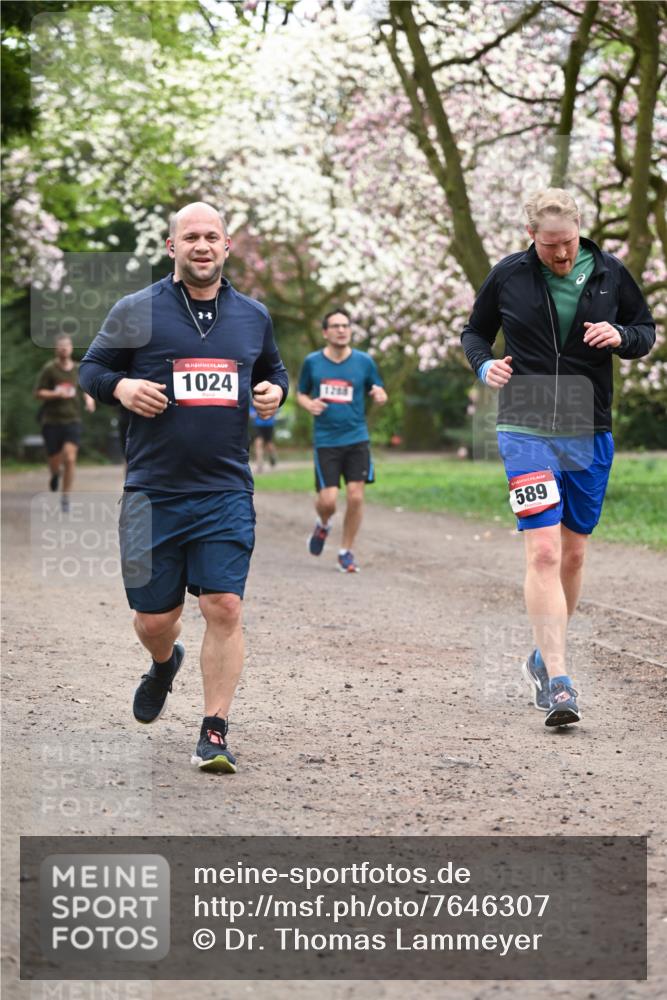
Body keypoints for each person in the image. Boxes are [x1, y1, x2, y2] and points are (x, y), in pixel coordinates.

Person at [79, 202, 288, 773]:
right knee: (154, 620)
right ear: (172, 247)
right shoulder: (135, 309)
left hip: (224, 490)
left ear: (226, 247)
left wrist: (274, 393)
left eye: (211, 237)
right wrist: (121, 386)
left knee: (224, 605)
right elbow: (90, 369)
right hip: (153, 491)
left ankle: (214, 729)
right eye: (190, 236)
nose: (201, 245)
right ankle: (164, 662)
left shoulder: (253, 315)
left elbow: (273, 371)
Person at [461, 188, 655, 728]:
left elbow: (645, 332)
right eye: (550, 248)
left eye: (568, 243)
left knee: (572, 555)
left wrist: (620, 334)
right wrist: (485, 365)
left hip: (586, 423)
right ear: (532, 238)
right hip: (523, 421)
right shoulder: (508, 276)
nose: (562, 255)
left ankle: (542, 654)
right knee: (543, 550)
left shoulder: (610, 273)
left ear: (579, 232)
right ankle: (560, 677)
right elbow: (474, 331)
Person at [297, 308, 387, 573]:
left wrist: (380, 394)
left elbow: (377, 387)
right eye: (335, 326)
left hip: (357, 437)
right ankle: (323, 524)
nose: (341, 329)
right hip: (326, 440)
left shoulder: (364, 361)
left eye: (345, 325)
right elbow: (301, 392)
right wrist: (308, 404)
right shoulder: (313, 362)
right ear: (325, 332)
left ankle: (345, 551)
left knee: (356, 497)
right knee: (328, 501)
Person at [33, 333, 96, 511]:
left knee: (69, 457)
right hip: (51, 420)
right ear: (56, 349)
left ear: (70, 348)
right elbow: (38, 392)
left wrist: (89, 400)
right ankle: (54, 474)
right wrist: (55, 394)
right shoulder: (49, 369)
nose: (64, 349)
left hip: (72, 419)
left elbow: (85, 388)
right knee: (54, 460)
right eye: (60, 346)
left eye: (66, 345)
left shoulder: (78, 369)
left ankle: (66, 497)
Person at [249, 403, 278, 473]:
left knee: (269, 444)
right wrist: (252, 413)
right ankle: (259, 464)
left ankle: (272, 456)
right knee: (258, 443)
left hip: (269, 424)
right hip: (258, 424)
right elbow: (251, 408)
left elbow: (277, 407)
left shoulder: (271, 393)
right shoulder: (254, 396)